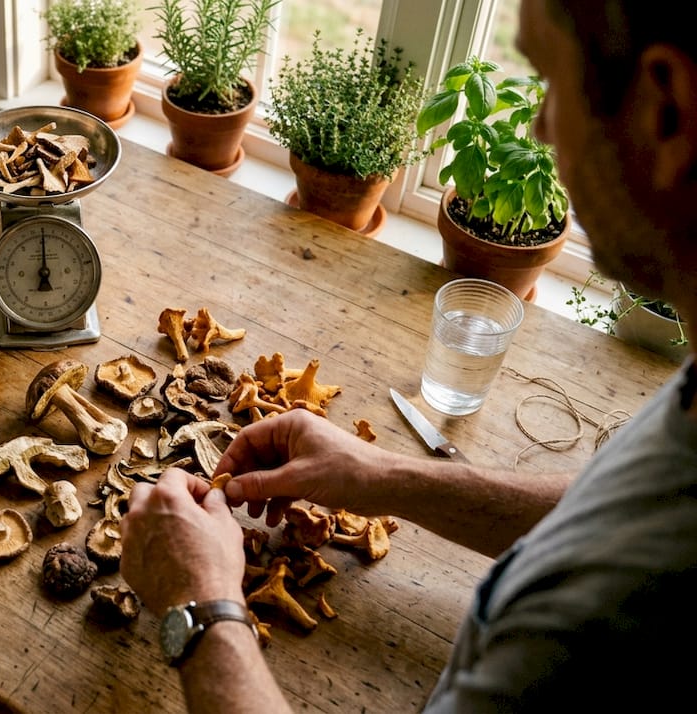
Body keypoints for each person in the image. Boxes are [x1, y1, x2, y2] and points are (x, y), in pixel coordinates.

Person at [120, 1, 697, 711]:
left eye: (553, 82)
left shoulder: (587, 633)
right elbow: (615, 509)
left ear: (666, 109)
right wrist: (383, 476)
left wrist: (199, 604)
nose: (543, 129)